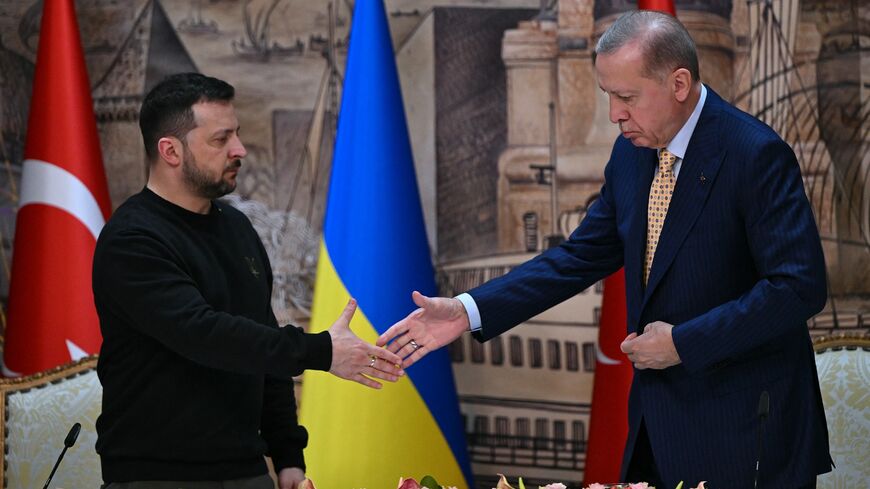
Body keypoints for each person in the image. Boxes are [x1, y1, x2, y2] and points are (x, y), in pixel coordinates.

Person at [378, 10, 831, 489]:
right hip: (657, 431)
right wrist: (468, 311)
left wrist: (683, 343)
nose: (615, 114)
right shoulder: (632, 153)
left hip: (746, 434)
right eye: (608, 96)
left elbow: (798, 287)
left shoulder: (754, 154)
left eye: (626, 97)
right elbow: (577, 257)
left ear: (679, 83)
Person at [93, 73, 403, 489]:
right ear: (170, 150)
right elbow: (205, 335)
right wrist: (322, 351)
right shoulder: (132, 240)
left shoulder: (237, 228)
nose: (239, 150)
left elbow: (262, 343)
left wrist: (289, 456)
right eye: (221, 140)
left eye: (236, 135)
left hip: (249, 471)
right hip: (158, 475)